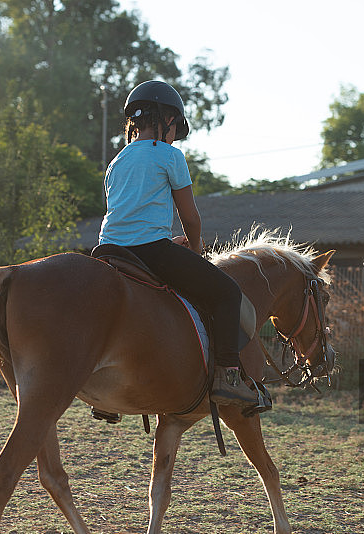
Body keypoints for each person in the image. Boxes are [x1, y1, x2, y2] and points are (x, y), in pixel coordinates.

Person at [98, 79, 270, 415]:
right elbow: (190, 218)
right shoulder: (170, 156)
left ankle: (104, 393)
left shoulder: (116, 162)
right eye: (176, 126)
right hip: (150, 251)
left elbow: (127, 217)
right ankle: (227, 377)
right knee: (227, 294)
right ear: (166, 120)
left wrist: (165, 239)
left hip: (107, 251)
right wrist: (193, 247)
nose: (176, 134)